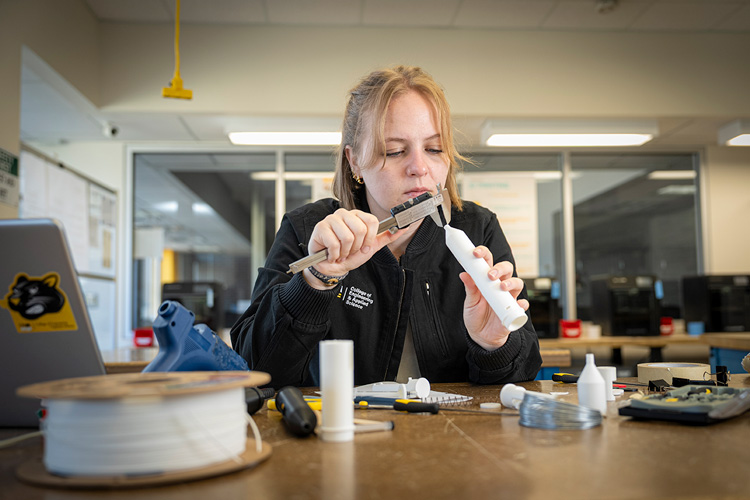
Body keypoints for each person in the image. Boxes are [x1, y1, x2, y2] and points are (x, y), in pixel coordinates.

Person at [231, 65, 541, 388]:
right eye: (395, 151)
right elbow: (254, 369)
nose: (420, 168)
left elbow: (524, 373)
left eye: (434, 149)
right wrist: (313, 283)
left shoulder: (478, 229)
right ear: (354, 162)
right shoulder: (305, 230)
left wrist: (494, 345)